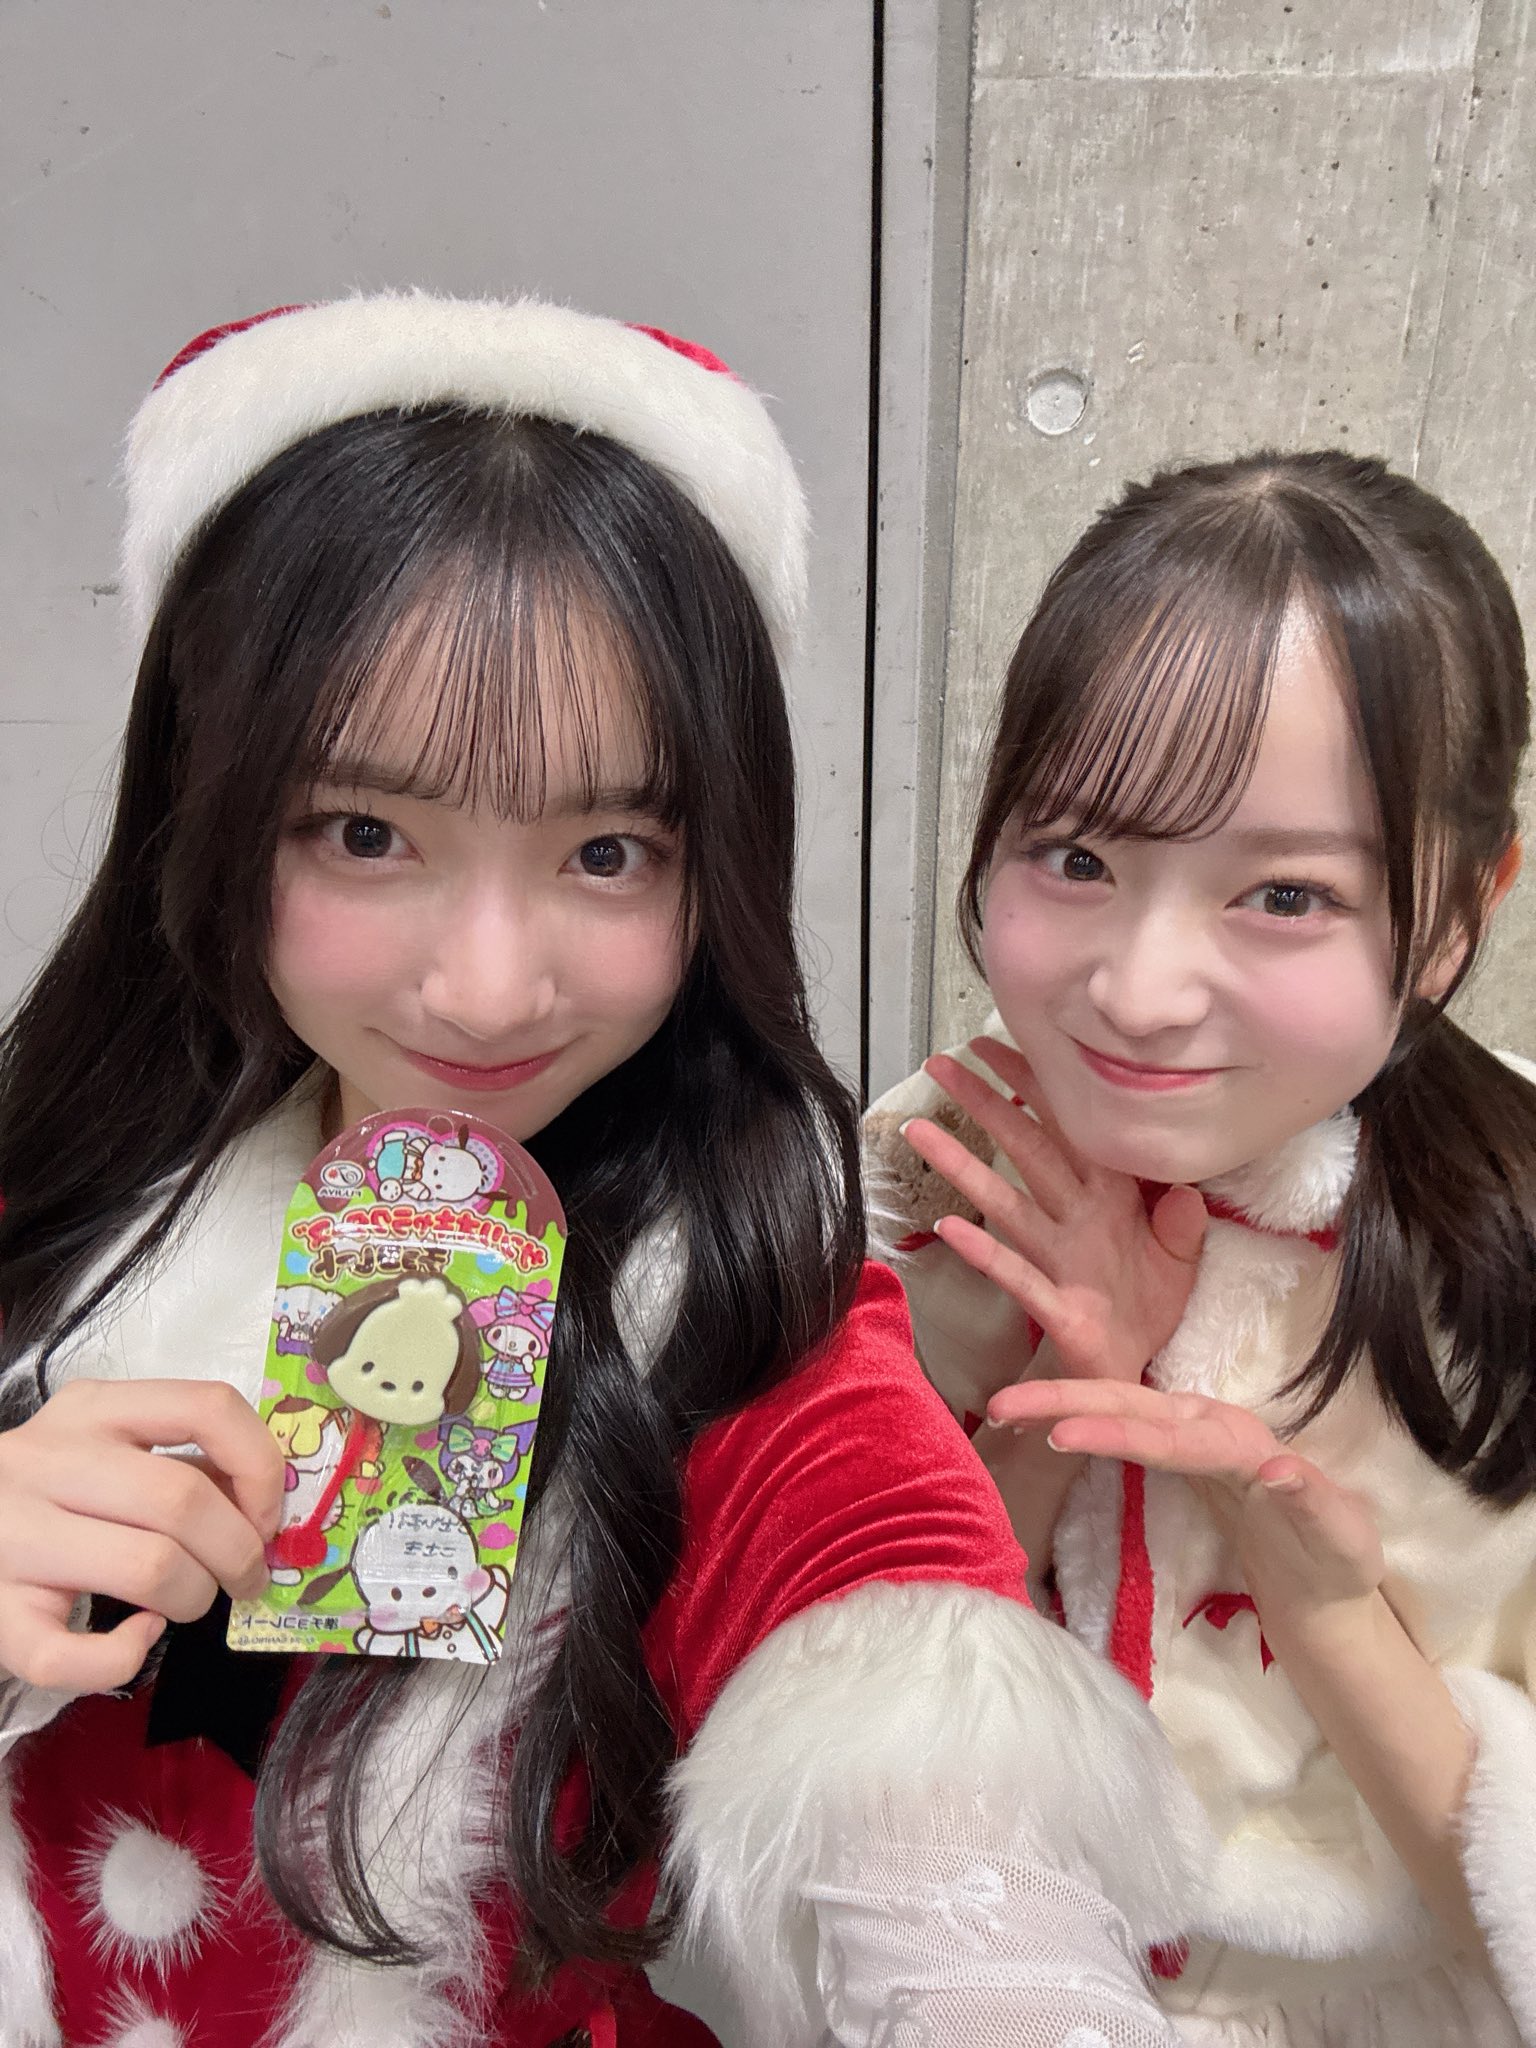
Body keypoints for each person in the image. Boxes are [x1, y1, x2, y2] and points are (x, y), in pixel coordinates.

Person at [0, 294, 1197, 2048]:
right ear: (211, 807)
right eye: (366, 833)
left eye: (608, 850)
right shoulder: (44, 1212)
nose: (489, 989)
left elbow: (891, 1619)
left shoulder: (747, 1301)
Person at [867, 449, 1536, 2045]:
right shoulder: (921, 1171)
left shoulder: (1508, 1235)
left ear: (1459, 910)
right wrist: (1062, 1389)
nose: (1142, 991)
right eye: (1079, 858)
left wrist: (1324, 1596)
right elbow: (843, 1759)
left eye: (1285, 895)